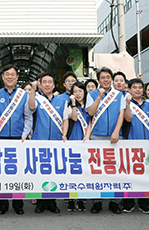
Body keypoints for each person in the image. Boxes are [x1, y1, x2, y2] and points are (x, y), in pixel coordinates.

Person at [0, 64, 32, 215]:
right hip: (1, 137)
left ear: (17, 77)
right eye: (7, 74)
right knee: (2, 173)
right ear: (3, 77)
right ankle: (3, 203)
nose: (10, 77)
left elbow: (28, 116)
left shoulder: (23, 95)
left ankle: (18, 204)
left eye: (13, 74)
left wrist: (25, 134)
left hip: (19, 138)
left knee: (18, 172)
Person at [23, 74, 67, 214]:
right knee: (40, 172)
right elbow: (30, 107)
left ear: (54, 85)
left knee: (54, 172)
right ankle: (41, 202)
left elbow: (65, 119)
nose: (47, 84)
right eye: (44, 82)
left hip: (56, 141)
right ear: (40, 85)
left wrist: (64, 135)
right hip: (39, 141)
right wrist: (33, 90)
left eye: (50, 82)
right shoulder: (37, 99)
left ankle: (52, 201)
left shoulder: (62, 101)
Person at [85, 67, 125, 214]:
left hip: (115, 136)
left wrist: (116, 131)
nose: (106, 80)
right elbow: (90, 112)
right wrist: (99, 97)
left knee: (116, 170)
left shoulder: (119, 95)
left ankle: (115, 202)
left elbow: (121, 114)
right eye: (103, 77)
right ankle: (97, 202)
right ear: (99, 80)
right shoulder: (92, 94)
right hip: (97, 135)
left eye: (108, 77)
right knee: (97, 170)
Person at [121, 78, 149, 213]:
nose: (138, 90)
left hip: (147, 144)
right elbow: (128, 118)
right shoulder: (125, 103)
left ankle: (144, 203)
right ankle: (128, 202)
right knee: (130, 173)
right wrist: (128, 104)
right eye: (135, 87)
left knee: (146, 174)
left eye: (140, 87)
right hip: (131, 143)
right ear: (130, 89)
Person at [62, 81, 90, 212]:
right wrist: (73, 104)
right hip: (74, 137)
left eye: (80, 91)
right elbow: (73, 118)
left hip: (85, 138)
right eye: (75, 92)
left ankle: (81, 199)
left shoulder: (90, 105)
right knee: (73, 170)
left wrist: (88, 136)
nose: (78, 94)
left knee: (84, 171)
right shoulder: (69, 105)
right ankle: (71, 199)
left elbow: (92, 121)